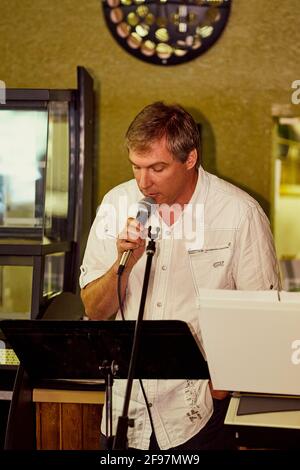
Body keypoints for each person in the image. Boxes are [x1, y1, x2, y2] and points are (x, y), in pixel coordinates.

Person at [80, 102, 279, 450]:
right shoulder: (116, 204)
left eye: (157, 167)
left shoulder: (239, 213)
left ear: (190, 159)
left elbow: (261, 319)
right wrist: (121, 265)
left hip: (199, 413)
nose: (143, 182)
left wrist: (221, 388)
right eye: (136, 167)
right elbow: (96, 312)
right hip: (125, 412)